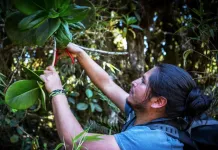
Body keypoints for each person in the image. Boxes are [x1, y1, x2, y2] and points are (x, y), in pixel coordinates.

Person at [40, 43, 213, 150]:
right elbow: (107, 83)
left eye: (144, 82)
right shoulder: (147, 114)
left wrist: (57, 91)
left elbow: (76, 143)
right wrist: (80, 54)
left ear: (158, 102)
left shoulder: (152, 140)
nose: (134, 82)